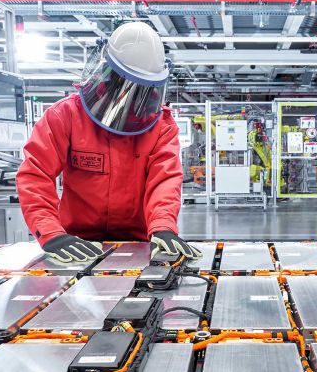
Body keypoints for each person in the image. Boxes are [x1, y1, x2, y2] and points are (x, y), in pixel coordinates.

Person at [16, 22, 201, 264]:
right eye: (126, 84)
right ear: (108, 73)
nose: (134, 97)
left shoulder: (161, 126)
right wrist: (50, 232)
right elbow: (35, 174)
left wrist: (163, 224)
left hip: (139, 243)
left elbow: (164, 180)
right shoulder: (65, 116)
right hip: (77, 244)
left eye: (143, 89)